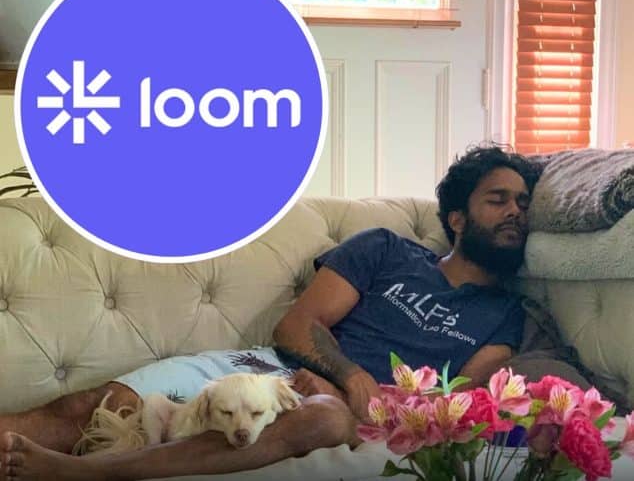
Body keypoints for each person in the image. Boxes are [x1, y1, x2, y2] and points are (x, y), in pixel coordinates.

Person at [0, 146, 539, 481]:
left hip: (349, 413)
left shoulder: (505, 314)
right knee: (92, 405)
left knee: (321, 417)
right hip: (263, 370)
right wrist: (347, 374)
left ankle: (84, 473)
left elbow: (454, 403)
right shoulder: (386, 249)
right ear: (457, 218)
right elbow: (297, 327)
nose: (515, 211)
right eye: (498, 200)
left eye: (522, 203)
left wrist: (348, 395)